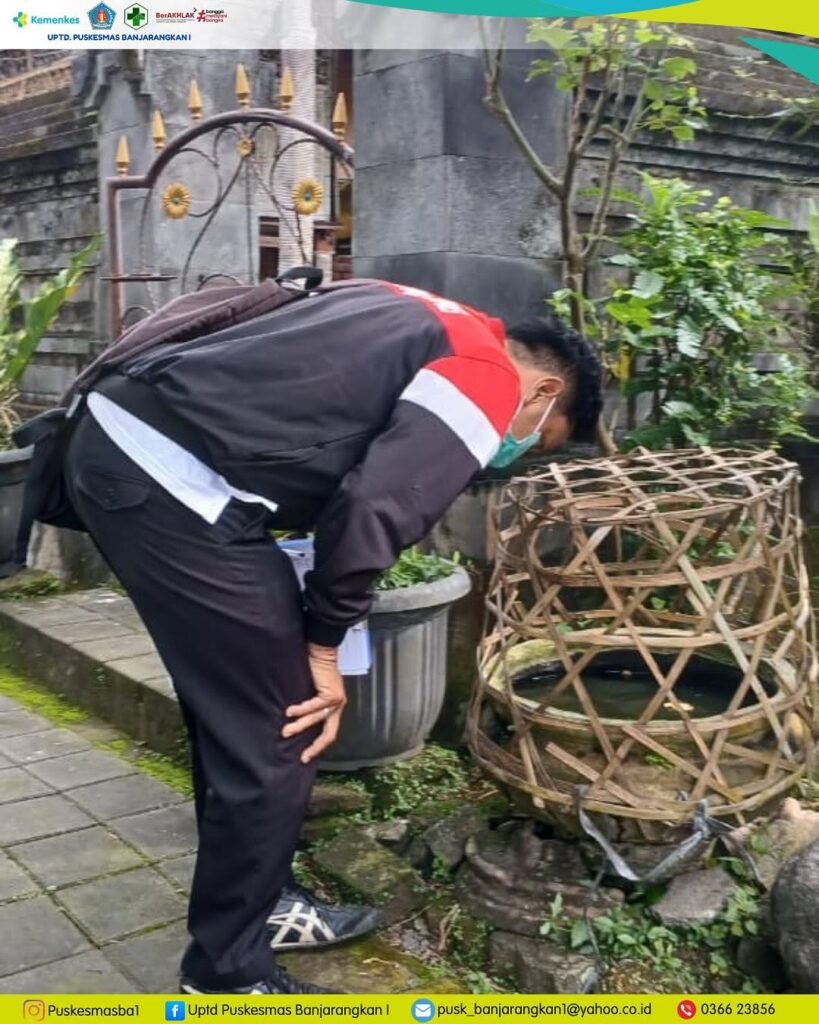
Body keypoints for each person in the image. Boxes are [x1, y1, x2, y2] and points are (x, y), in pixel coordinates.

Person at [60, 279, 602, 995]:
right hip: (172, 476)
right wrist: (322, 647)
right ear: (544, 391)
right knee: (286, 720)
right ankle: (226, 975)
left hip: (133, 448)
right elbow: (374, 508)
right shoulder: (486, 372)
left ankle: (262, 905)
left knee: (243, 715)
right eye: (541, 437)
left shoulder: (420, 309)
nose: (513, 451)